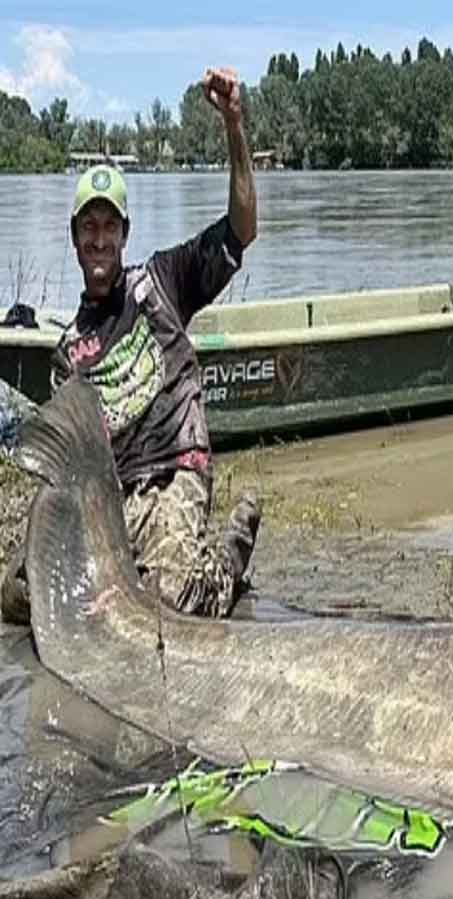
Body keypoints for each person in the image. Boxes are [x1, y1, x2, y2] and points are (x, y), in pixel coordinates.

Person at [1, 67, 261, 623]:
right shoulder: (68, 353)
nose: (99, 239)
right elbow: (72, 470)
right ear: (75, 239)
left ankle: (229, 557)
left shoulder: (165, 281)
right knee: (26, 598)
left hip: (175, 474)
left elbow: (242, 228)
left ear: (125, 233)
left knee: (172, 602)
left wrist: (235, 126)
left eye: (109, 227)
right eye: (88, 228)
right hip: (114, 503)